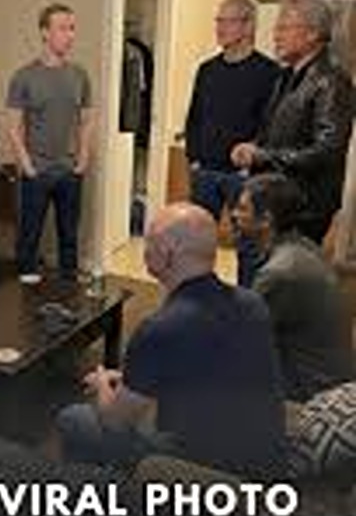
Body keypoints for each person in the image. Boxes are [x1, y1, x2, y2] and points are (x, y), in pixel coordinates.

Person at [56, 202, 287, 478]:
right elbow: (208, 364)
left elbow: (115, 421)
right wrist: (132, 377)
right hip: (264, 458)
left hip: (205, 468)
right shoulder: (252, 303)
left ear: (167, 254)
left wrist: (102, 383)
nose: (145, 249)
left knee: (74, 418)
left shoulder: (161, 328)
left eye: (150, 242)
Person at [231, 0, 354, 247]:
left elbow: (327, 150)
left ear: (312, 33)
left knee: (286, 270)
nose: (276, 36)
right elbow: (276, 132)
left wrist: (263, 156)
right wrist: (253, 147)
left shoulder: (331, 80)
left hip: (303, 208)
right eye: (277, 28)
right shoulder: (285, 76)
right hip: (274, 200)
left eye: (284, 28)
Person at [184, 0, 281, 285]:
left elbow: (272, 126)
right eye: (218, 21)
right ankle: (198, 300)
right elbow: (194, 117)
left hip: (244, 178)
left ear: (248, 26)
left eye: (228, 21)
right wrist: (194, 158)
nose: (220, 28)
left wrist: (252, 163)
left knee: (249, 250)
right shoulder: (207, 70)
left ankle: (246, 305)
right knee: (197, 246)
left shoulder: (270, 73)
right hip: (205, 173)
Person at [233, 173, 354, 402]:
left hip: (308, 398)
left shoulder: (280, 272)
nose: (234, 214)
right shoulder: (306, 248)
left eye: (242, 209)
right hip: (332, 387)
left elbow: (241, 339)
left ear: (266, 219)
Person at [6, 3, 95, 281]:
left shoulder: (79, 75)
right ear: (45, 32)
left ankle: (69, 293)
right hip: (37, 172)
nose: (70, 35)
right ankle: (24, 294)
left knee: (69, 238)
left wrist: (83, 159)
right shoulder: (24, 77)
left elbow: (87, 119)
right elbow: (14, 127)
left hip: (69, 171)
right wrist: (27, 166)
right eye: (63, 28)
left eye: (72, 29)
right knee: (28, 239)